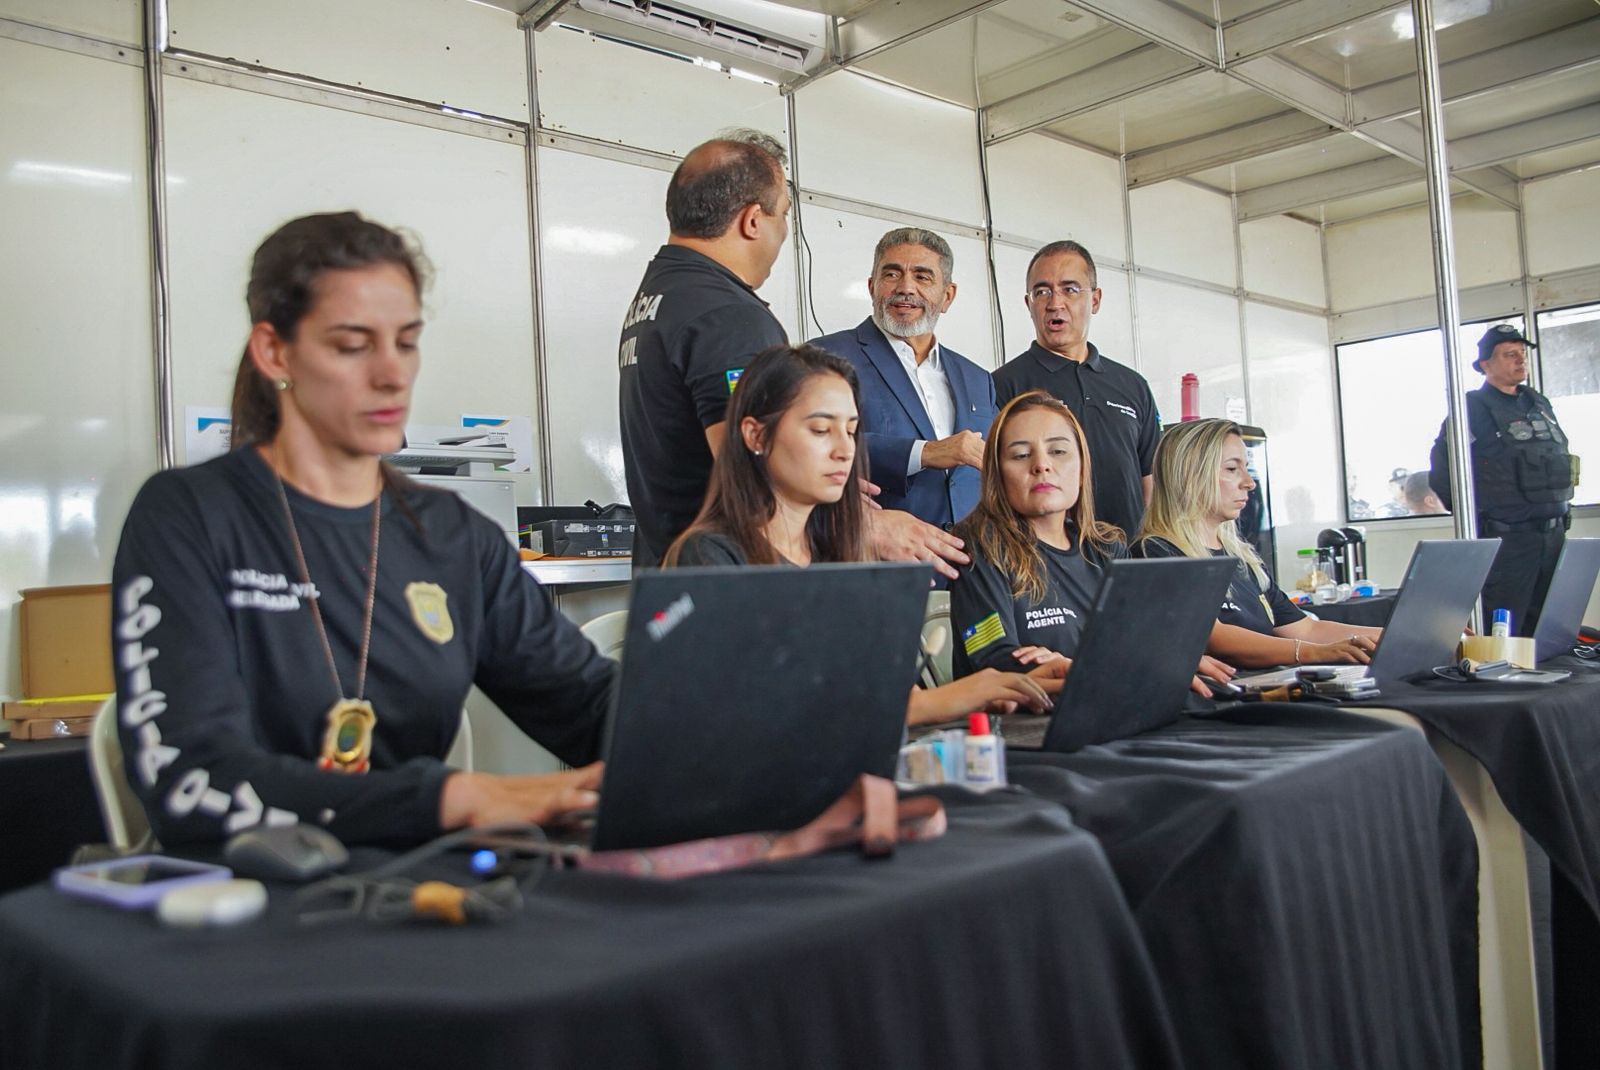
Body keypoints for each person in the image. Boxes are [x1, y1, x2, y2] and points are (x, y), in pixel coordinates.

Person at [111, 212, 609, 847]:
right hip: (246, 891)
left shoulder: (454, 537)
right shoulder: (189, 516)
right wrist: (451, 799)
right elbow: (190, 781)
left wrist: (707, 728)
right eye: (352, 346)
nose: (392, 374)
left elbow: (588, 704)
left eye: (406, 342)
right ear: (274, 352)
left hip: (418, 886)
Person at [618, 130, 967, 578]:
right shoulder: (729, 316)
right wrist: (867, 522)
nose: (784, 231)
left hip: (675, 569)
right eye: (783, 214)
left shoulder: (661, 296)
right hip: (734, 574)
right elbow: (754, 463)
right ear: (752, 221)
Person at [664, 344, 1057, 725]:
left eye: (851, 431)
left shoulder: (841, 556)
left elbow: (888, 690)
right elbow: (751, 712)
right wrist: (953, 697)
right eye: (821, 430)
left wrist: (1005, 683)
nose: (844, 450)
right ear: (755, 436)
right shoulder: (709, 558)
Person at [948, 391, 1232, 694]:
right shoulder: (978, 547)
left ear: (1082, 468)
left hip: (1117, 704)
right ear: (997, 474)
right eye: (1020, 455)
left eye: (1058, 451)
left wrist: (1170, 657)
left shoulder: (1107, 548)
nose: (1041, 465)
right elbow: (992, 659)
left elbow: (1139, 643)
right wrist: (1079, 669)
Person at [1134, 418, 1382, 668]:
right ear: (1189, 476)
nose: (1249, 483)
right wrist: (1316, 653)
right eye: (1232, 469)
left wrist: (1388, 636)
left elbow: (1306, 630)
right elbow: (1215, 637)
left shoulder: (1243, 559)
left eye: (1246, 468)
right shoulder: (1157, 553)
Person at [809, 227, 996, 533]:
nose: (906, 287)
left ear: (947, 296)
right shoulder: (823, 357)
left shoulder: (978, 379)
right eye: (892, 274)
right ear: (872, 287)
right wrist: (925, 452)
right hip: (871, 551)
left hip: (974, 554)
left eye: (922, 276)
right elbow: (805, 445)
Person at [991, 240, 1160, 539]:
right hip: (1044, 557)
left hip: (1129, 555)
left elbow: (1152, 484)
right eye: (1042, 292)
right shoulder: (1001, 385)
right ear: (1029, 304)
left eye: (1070, 289)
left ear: (1095, 300)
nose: (1055, 303)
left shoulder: (1133, 385)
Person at [1428, 323, 1574, 636]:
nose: (1520, 360)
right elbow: (1442, 470)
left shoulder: (1538, 404)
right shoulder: (1472, 408)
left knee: (1549, 627)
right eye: (1510, 354)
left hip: (1553, 537)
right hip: (1508, 541)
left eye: (1522, 353)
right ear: (1486, 365)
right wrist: (1477, 520)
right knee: (1506, 630)